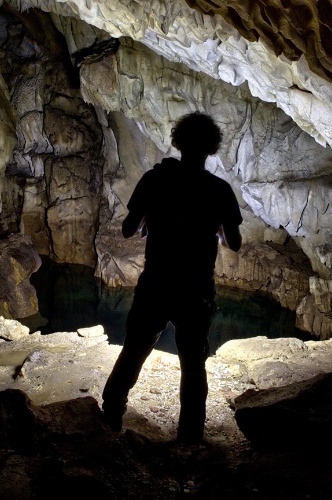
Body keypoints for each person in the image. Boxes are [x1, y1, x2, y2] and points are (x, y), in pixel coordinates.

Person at [101, 112, 243, 443]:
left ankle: (110, 414)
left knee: (134, 349)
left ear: (177, 142)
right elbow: (234, 243)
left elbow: (126, 230)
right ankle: (189, 437)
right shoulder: (219, 189)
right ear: (211, 148)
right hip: (196, 287)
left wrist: (155, 215)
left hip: (157, 282)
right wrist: (214, 228)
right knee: (194, 361)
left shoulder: (155, 180)